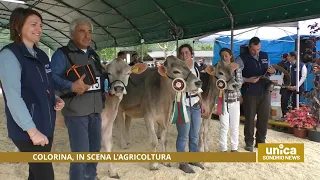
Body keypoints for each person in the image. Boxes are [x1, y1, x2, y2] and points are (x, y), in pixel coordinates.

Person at [0, 7, 65, 180]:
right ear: (17, 26)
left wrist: (55, 98)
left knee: (36, 175)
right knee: (45, 176)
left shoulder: (42, 55)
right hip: (28, 131)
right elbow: (13, 97)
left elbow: (45, 86)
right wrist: (32, 131)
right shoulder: (9, 55)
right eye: (33, 24)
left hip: (45, 125)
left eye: (41, 25)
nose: (39, 29)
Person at [50, 16, 104, 180]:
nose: (87, 36)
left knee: (94, 150)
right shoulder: (62, 54)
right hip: (76, 112)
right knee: (80, 153)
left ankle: (91, 177)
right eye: (82, 31)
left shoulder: (93, 54)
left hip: (96, 110)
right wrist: (71, 86)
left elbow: (100, 77)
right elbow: (51, 78)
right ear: (72, 34)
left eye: (89, 32)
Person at [236, 37, 275, 152]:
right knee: (249, 118)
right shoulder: (241, 58)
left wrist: (273, 72)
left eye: (258, 49)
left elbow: (270, 70)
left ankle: (261, 141)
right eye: (254, 50)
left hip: (265, 91)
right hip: (250, 92)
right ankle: (249, 142)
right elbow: (235, 76)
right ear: (249, 47)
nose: (256, 52)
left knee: (264, 118)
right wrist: (247, 80)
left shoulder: (265, 55)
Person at [176, 44, 205, 173]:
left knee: (194, 135)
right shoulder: (176, 69)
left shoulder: (196, 68)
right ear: (179, 56)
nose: (184, 55)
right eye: (182, 53)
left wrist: (202, 102)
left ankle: (193, 158)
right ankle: (182, 162)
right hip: (182, 104)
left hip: (195, 104)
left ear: (191, 53)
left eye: (186, 52)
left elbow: (197, 87)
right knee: (183, 135)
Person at [218, 48, 243, 152]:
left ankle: (234, 148)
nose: (225, 57)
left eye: (226, 55)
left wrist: (227, 86)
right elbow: (217, 84)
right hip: (222, 100)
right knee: (224, 125)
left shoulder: (236, 68)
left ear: (231, 56)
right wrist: (230, 85)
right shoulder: (218, 69)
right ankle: (223, 148)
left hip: (235, 100)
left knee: (234, 126)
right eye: (222, 56)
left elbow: (239, 83)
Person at [281, 51, 307, 117]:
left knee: (295, 102)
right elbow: (282, 76)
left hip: (297, 87)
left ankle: (294, 117)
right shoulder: (286, 65)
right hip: (287, 86)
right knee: (284, 100)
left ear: (293, 57)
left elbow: (303, 77)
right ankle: (285, 115)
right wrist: (286, 86)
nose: (287, 57)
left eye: (289, 56)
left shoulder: (301, 65)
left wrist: (297, 86)